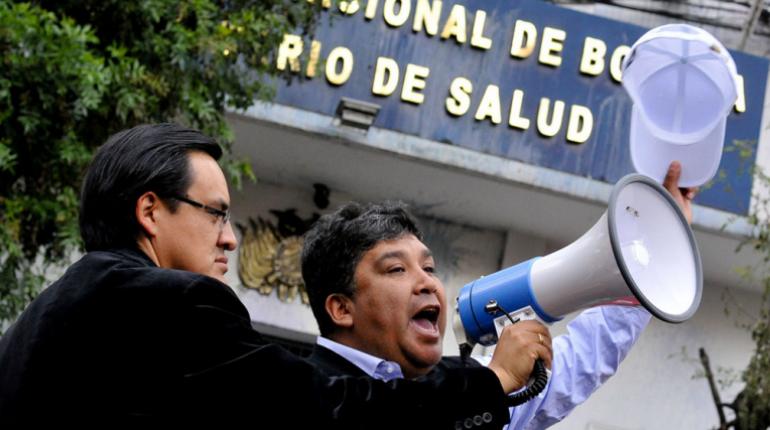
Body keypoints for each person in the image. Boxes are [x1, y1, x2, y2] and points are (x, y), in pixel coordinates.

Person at [0, 123, 551, 428]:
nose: (230, 237)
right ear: (150, 212)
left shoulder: (38, 320)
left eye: (428, 268)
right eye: (214, 212)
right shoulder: (176, 304)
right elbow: (324, 412)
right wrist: (491, 380)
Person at [301, 162, 695, 429]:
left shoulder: (469, 384)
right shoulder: (300, 391)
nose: (427, 283)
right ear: (340, 307)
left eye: (430, 268)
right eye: (397, 269)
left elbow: (579, 363)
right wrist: (497, 378)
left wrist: (654, 249)